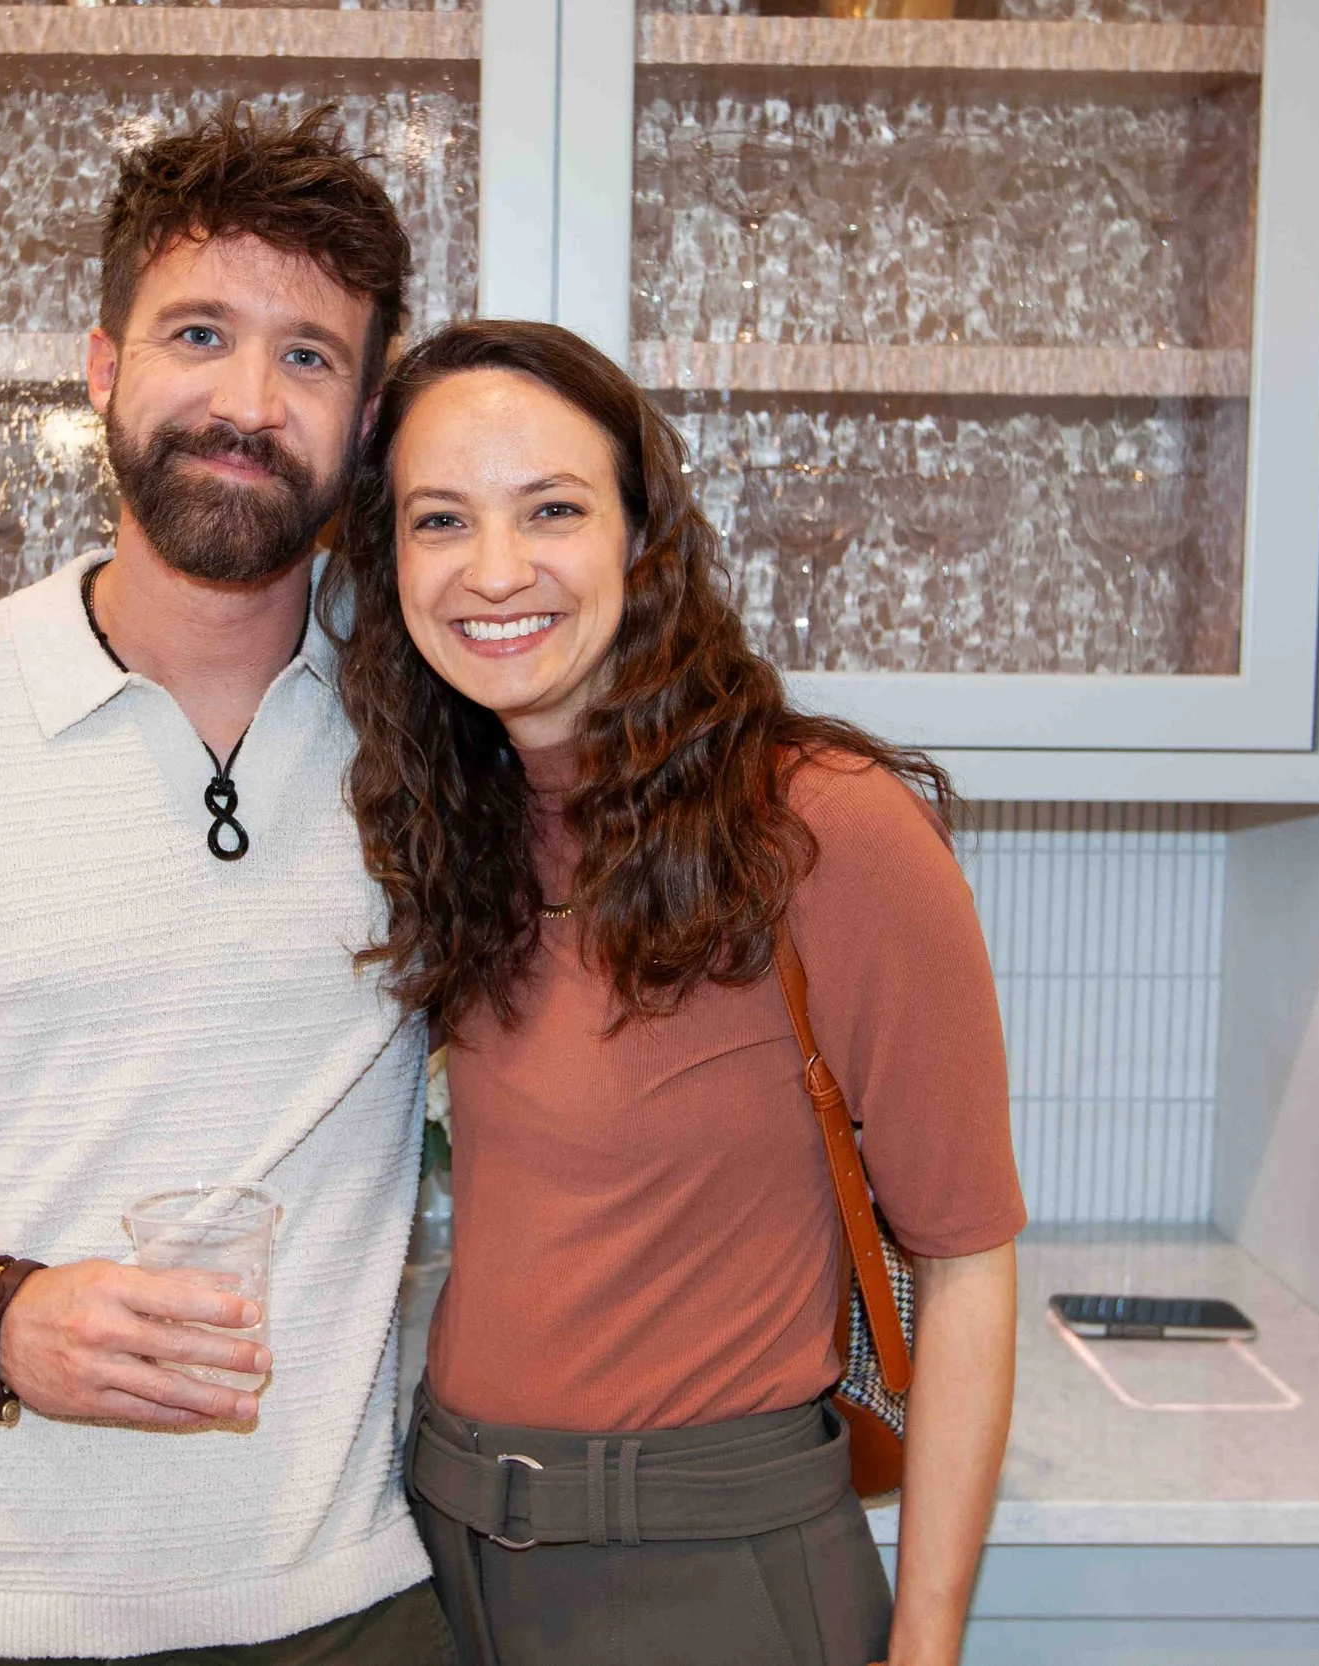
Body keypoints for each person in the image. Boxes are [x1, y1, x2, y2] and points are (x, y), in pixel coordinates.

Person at [0, 109, 453, 1664]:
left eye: (308, 356)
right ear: (104, 367)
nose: (248, 403)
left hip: (323, 1600)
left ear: (368, 417)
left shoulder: (434, 737)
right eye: (200, 334)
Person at [327, 319, 1025, 1666]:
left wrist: (928, 1643)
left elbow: (967, 1263)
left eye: (552, 509)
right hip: (443, 1547)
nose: (494, 569)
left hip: (707, 1574)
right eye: (439, 519)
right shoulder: (458, 825)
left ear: (642, 538)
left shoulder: (824, 826)